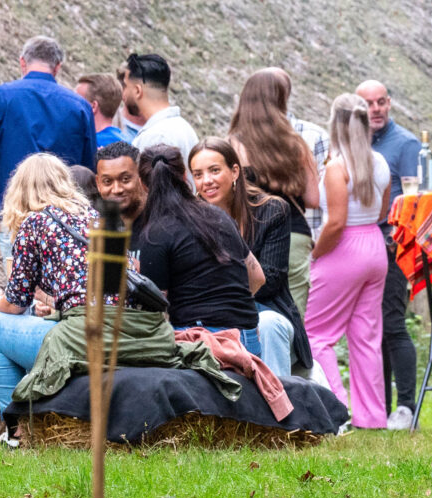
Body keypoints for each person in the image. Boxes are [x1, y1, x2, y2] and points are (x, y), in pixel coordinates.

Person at [0, 153, 99, 440]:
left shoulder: (35, 223)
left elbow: (16, 304)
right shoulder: (94, 218)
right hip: (115, 332)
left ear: (19, 191)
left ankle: (16, 431)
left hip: (79, 339)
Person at [305, 94, 392, 430]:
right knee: (366, 337)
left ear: (335, 125)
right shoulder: (380, 163)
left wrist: (315, 254)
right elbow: (382, 212)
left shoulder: (336, 167)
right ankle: (372, 417)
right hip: (374, 246)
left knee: (315, 334)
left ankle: (336, 410)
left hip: (344, 248)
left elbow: (336, 222)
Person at [129, 146, 268, 355]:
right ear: (185, 175)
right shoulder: (219, 216)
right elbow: (257, 276)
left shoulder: (154, 234)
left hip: (199, 343)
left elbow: (153, 313)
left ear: (142, 184)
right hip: (246, 337)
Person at [192, 138, 302, 380]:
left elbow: (270, 279)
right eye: (198, 174)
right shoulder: (191, 219)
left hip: (265, 310)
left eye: (214, 170)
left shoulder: (271, 211)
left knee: (268, 325)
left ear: (234, 171)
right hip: (210, 315)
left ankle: (277, 410)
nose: (206, 180)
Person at [0, 35, 97, 218]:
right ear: (57, 67)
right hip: (64, 216)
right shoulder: (80, 107)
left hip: (14, 212)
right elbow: (88, 168)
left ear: (22, 62)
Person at [355, 79, 419, 430]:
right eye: (368, 103)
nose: (376, 109)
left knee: (392, 324)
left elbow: (416, 199)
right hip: (360, 245)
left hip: (392, 244)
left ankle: (407, 408)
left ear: (389, 104)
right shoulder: (353, 145)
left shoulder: (405, 144)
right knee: (369, 329)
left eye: (381, 102)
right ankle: (379, 406)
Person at [228, 68, 320, 314]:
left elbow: (230, 198)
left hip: (253, 235)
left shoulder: (234, 145)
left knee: (253, 311)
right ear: (280, 100)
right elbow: (313, 199)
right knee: (293, 316)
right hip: (295, 234)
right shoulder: (296, 143)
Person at [123, 52, 199, 161]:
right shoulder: (183, 127)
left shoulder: (156, 137)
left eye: (125, 86)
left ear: (137, 91)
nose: (123, 94)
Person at [75, 72, 133, 149]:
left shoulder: (87, 144)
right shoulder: (128, 145)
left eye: (76, 100)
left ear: (93, 107)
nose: (72, 104)